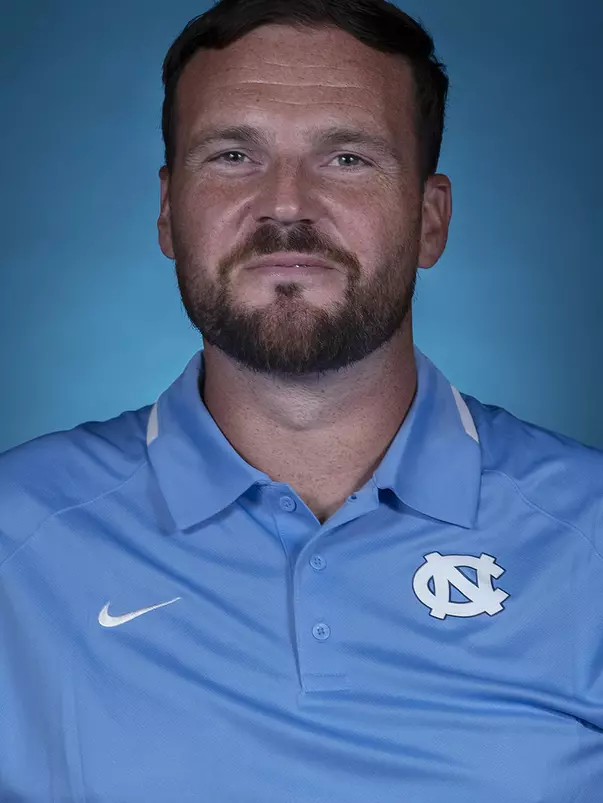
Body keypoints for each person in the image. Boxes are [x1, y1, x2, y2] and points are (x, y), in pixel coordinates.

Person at [1, 0, 601, 800]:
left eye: (347, 158)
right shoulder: (15, 539)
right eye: (232, 155)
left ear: (429, 219)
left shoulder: (590, 538)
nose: (286, 205)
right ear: (167, 211)